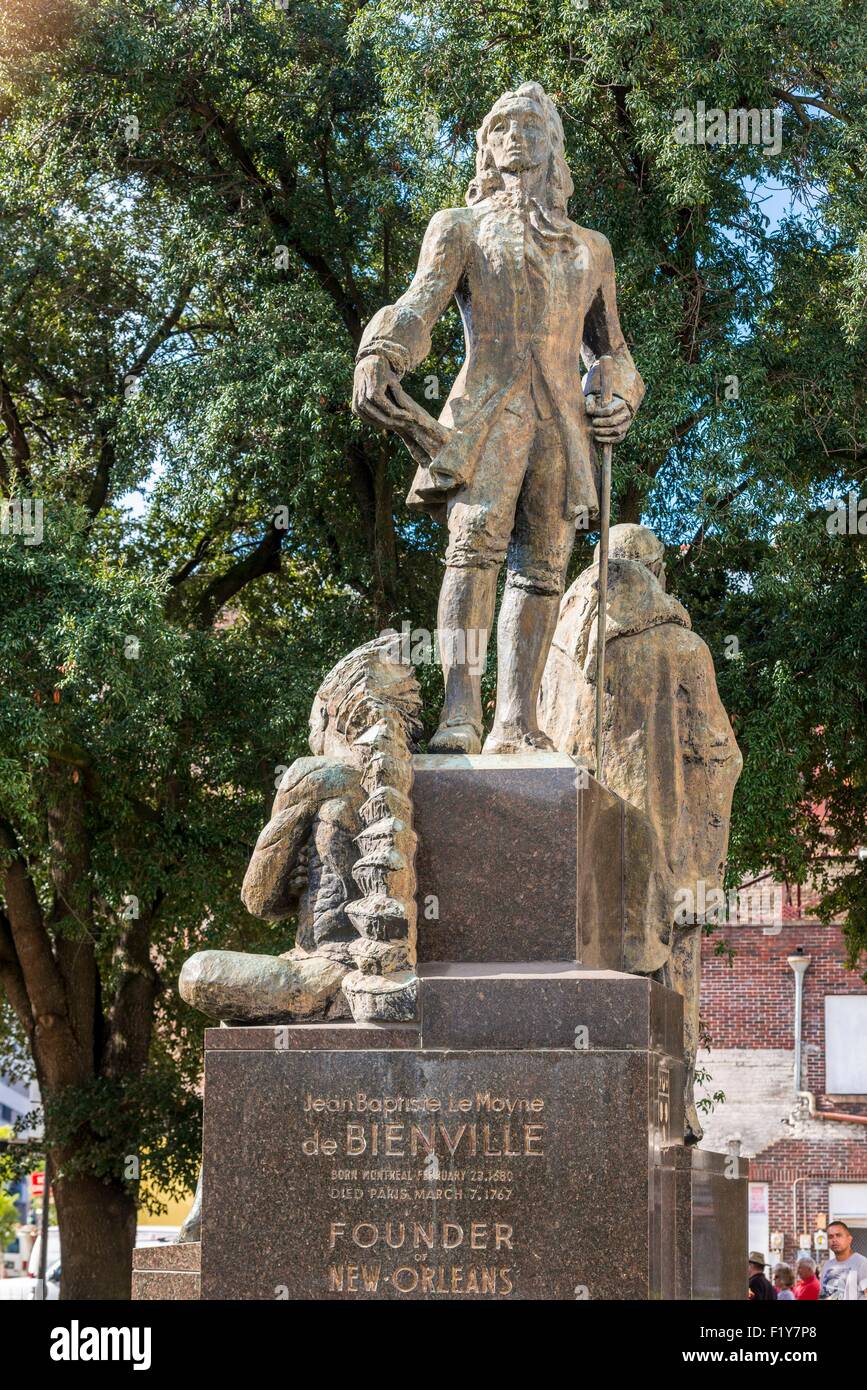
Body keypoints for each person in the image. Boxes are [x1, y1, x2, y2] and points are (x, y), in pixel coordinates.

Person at [353, 82, 643, 754]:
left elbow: (613, 351)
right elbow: (417, 307)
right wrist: (380, 352)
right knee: (472, 550)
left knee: (541, 568)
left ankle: (515, 720)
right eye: (500, 125)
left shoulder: (590, 248)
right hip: (484, 413)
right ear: (486, 146)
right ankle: (460, 714)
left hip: (562, 423)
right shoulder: (459, 227)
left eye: (528, 124)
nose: (514, 134)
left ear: (552, 143)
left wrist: (620, 394)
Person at [539, 523, 742, 1140]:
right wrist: (704, 870)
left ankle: (577, 1109)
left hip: (572, 852)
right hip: (661, 853)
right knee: (669, 977)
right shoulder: (683, 650)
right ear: (657, 573)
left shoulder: (550, 650)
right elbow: (717, 757)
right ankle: (670, 1108)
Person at [819, 1221, 867, 1300]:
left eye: (838, 1235)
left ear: (849, 1239)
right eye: (830, 1237)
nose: (834, 1240)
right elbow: (822, 1295)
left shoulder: (862, 1263)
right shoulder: (827, 1266)